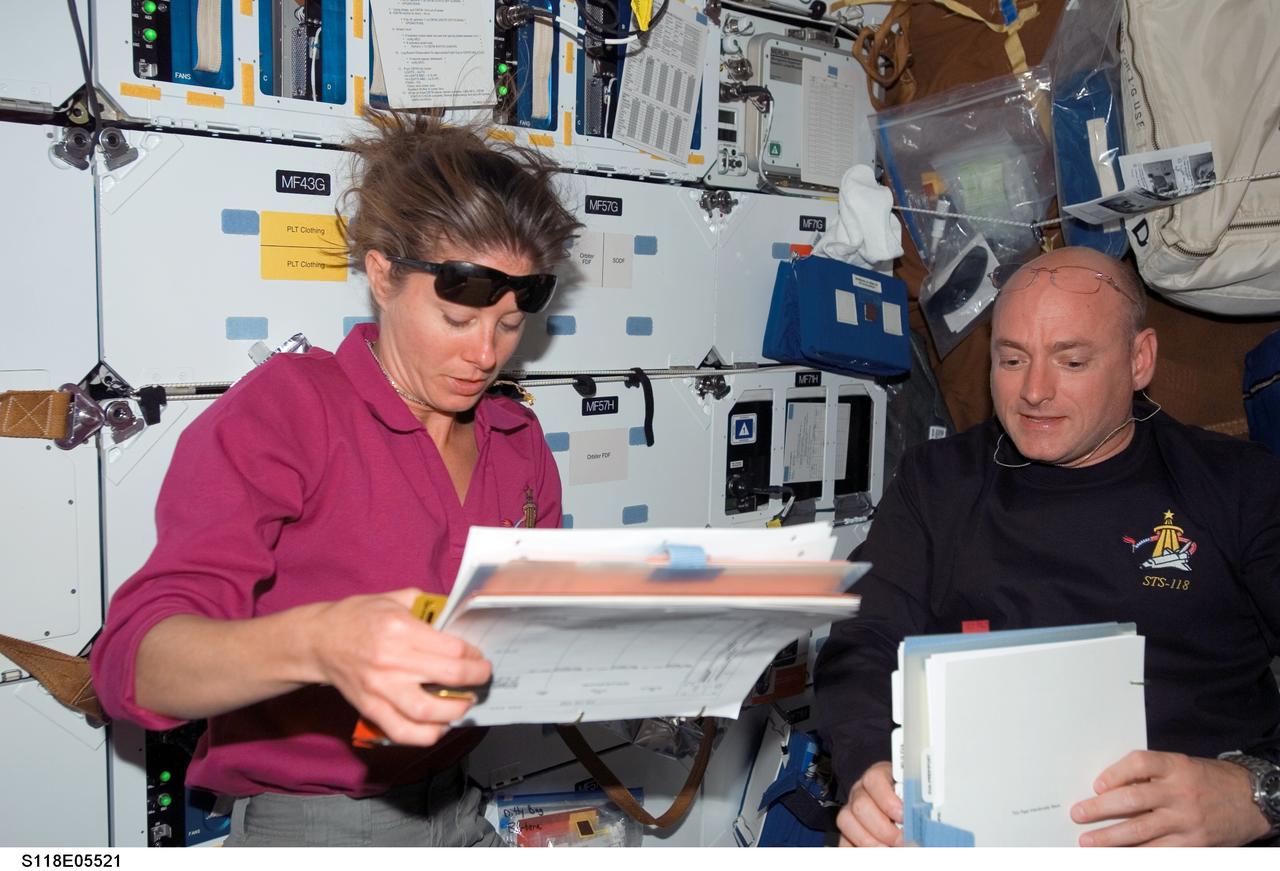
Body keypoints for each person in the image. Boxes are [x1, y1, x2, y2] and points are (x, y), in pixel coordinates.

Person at [90, 112, 582, 846]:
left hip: (461, 808)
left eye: (510, 325)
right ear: (382, 274)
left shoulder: (518, 443)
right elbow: (134, 662)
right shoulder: (289, 411)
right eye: (456, 317)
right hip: (317, 826)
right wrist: (322, 642)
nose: (486, 354)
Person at [814, 246, 1280, 847]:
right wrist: (867, 771)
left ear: (1139, 361)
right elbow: (861, 641)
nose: (1034, 391)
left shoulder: (1240, 484)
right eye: (1012, 359)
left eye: (1073, 361)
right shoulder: (938, 482)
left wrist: (1258, 794)